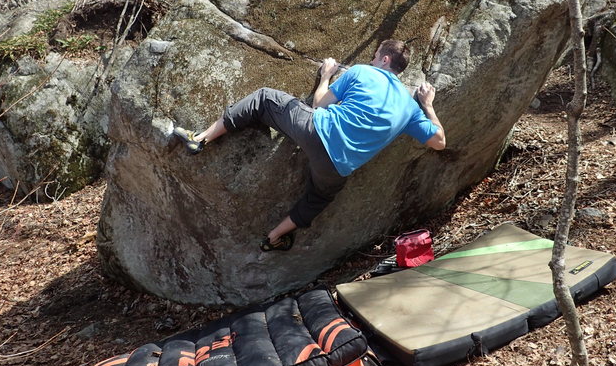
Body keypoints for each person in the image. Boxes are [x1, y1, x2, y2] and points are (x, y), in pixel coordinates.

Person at [172, 39, 446, 252]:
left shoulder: (363, 72)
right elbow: (439, 142)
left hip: (316, 131)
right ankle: (274, 237)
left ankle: (200, 139)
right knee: (319, 198)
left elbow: (319, 103)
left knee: (265, 98)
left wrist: (326, 74)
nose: (371, 59)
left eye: (375, 56)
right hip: (338, 167)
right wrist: (428, 106)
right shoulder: (411, 108)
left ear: (384, 59)